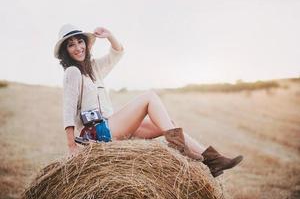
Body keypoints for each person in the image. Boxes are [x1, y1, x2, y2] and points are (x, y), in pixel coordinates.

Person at [54, 24, 243, 177]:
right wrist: (72, 147)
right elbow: (68, 110)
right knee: (149, 97)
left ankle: (212, 160)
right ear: (66, 51)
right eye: (71, 45)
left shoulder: (93, 68)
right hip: (96, 132)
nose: (78, 47)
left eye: (80, 42)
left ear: (87, 44)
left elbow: (117, 53)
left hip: (109, 127)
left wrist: (110, 35)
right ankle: (181, 147)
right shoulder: (73, 72)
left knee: (167, 124)